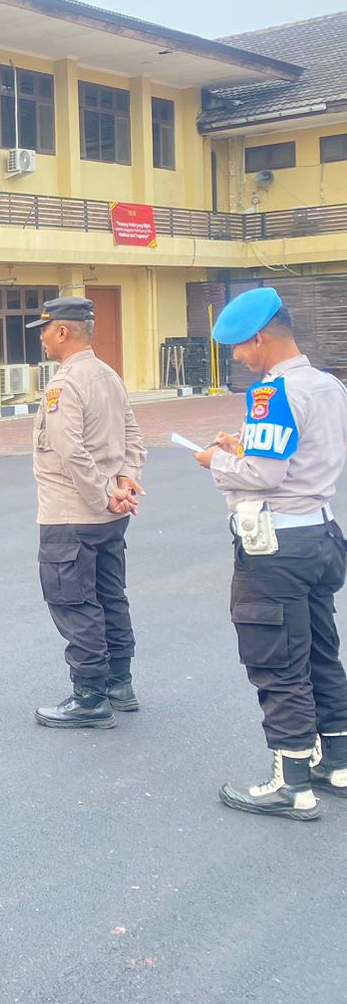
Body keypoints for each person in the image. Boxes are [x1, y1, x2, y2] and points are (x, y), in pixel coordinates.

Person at [194, 288, 347, 820]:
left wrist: (214, 460)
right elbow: (296, 456)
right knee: (320, 652)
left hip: (276, 546)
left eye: (239, 346)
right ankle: (337, 763)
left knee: (278, 661)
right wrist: (240, 447)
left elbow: (263, 474)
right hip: (320, 535)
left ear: (260, 338)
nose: (238, 357)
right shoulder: (328, 385)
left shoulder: (271, 393)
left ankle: (292, 785)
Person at [26, 298, 145, 730]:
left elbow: (70, 450)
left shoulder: (65, 384)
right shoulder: (108, 375)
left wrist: (103, 496)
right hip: (110, 515)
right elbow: (132, 435)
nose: (41, 338)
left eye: (44, 329)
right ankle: (119, 684)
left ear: (62, 331)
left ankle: (90, 697)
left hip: (72, 515)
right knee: (110, 596)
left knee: (74, 603)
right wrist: (125, 481)